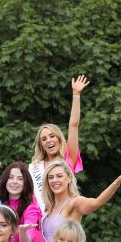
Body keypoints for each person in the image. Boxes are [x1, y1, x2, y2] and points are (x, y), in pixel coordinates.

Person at [29, 75, 90, 212]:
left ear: (59, 139)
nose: (49, 140)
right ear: (41, 145)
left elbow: (73, 125)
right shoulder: (35, 167)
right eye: (44, 139)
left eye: (52, 136)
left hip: (65, 213)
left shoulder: (68, 159)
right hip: (41, 219)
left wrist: (76, 95)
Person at [0, 162, 45, 242]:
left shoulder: (31, 208)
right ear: (5, 181)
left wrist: (22, 232)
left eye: (20, 179)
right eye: (11, 177)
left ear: (25, 183)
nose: (14, 182)